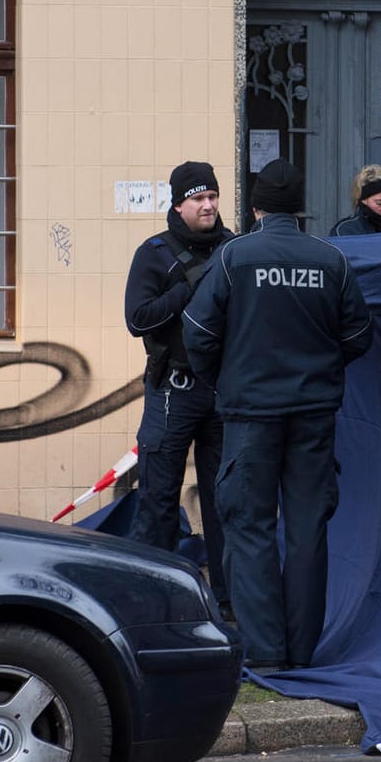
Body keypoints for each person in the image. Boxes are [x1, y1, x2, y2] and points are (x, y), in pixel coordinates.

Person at [183, 158, 373, 670]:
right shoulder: (330, 259)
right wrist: (322, 369)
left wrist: (224, 379)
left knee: (249, 527)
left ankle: (266, 654)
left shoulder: (234, 256)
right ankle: (302, 652)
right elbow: (359, 335)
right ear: (299, 210)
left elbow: (198, 332)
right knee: (308, 530)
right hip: (313, 416)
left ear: (256, 209)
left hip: (250, 415)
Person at [124, 160, 234, 616]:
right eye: (198, 198)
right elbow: (137, 319)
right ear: (178, 205)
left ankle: (228, 603)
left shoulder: (232, 248)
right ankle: (150, 604)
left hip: (222, 392)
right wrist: (188, 288)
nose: (208, 205)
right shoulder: (154, 253)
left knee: (225, 502)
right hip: (173, 391)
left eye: (213, 196)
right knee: (159, 502)